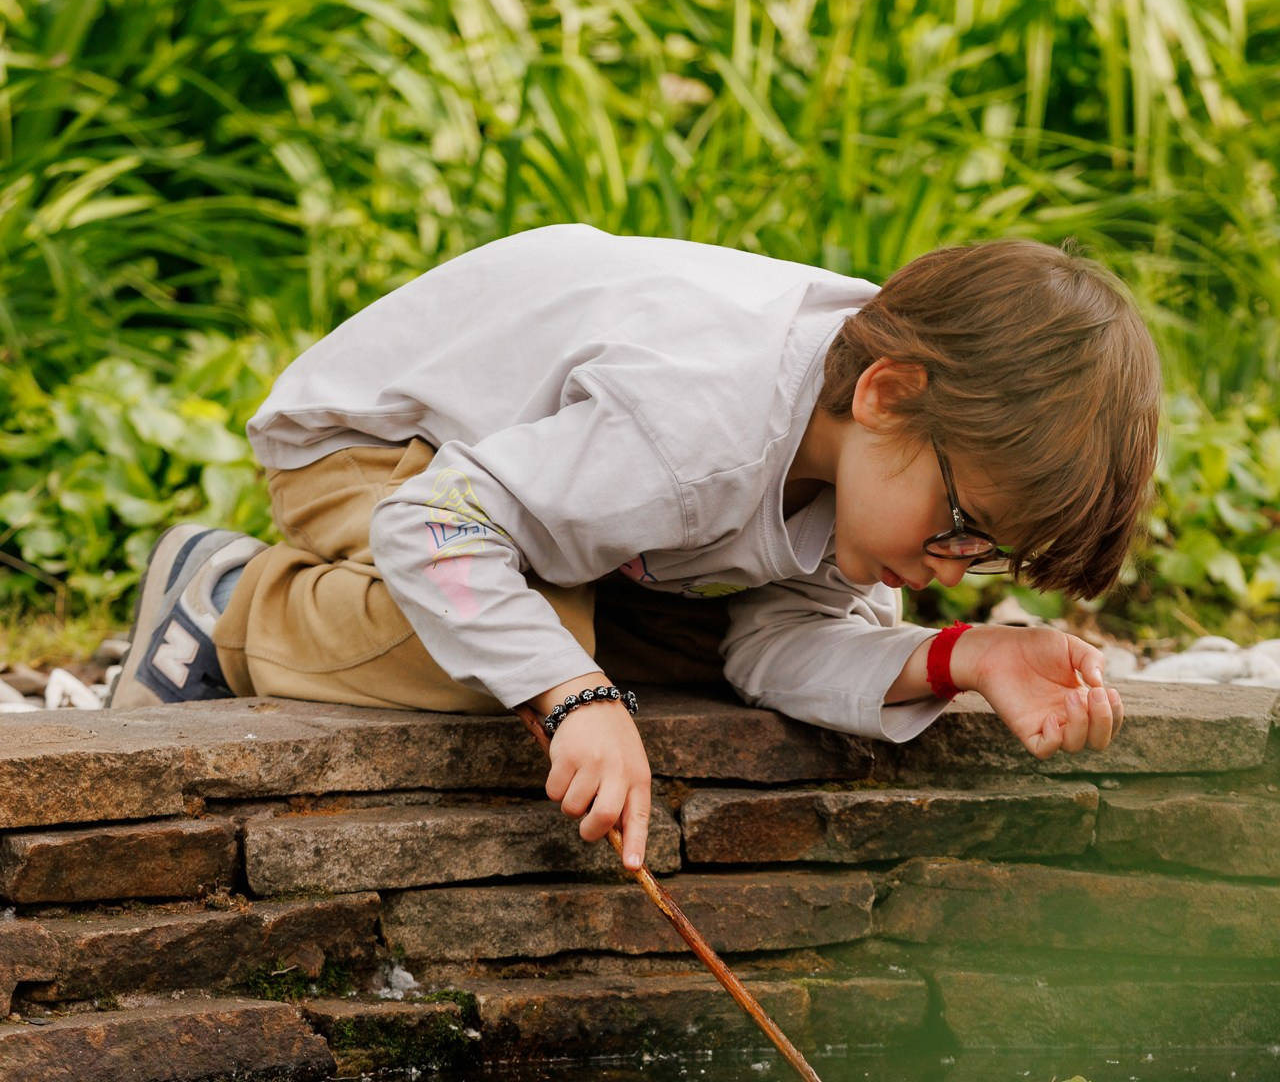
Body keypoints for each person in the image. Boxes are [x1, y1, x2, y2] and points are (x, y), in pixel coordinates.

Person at [109, 226, 1160, 872]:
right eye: (957, 522)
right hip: (392, 449)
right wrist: (574, 696)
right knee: (529, 648)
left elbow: (769, 653)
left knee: (631, 651)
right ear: (889, 396)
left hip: (576, 507)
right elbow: (436, 522)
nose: (945, 565)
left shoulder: (857, 458)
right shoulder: (696, 426)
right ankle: (231, 599)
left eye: (981, 556)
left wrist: (962, 659)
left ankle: (542, 633)